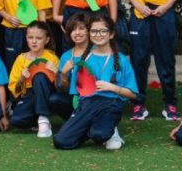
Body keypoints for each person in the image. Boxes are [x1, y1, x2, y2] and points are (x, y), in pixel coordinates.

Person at [53, 15, 137, 151]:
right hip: (86, 104)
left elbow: (133, 94)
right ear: (90, 33)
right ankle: (90, 128)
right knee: (61, 141)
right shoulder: (83, 59)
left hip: (111, 104)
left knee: (99, 135)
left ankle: (109, 130)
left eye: (103, 31)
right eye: (94, 31)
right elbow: (75, 92)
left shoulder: (121, 60)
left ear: (111, 34)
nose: (98, 35)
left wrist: (114, 88)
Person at [7, 21, 65, 138]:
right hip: (29, 95)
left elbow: (61, 87)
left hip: (47, 92)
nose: (34, 41)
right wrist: (22, 78)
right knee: (17, 120)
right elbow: (15, 91)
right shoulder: (21, 58)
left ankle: (43, 118)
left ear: (46, 40)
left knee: (39, 77)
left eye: (38, 38)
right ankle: (37, 120)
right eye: (30, 37)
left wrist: (57, 72)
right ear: (26, 38)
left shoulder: (52, 57)